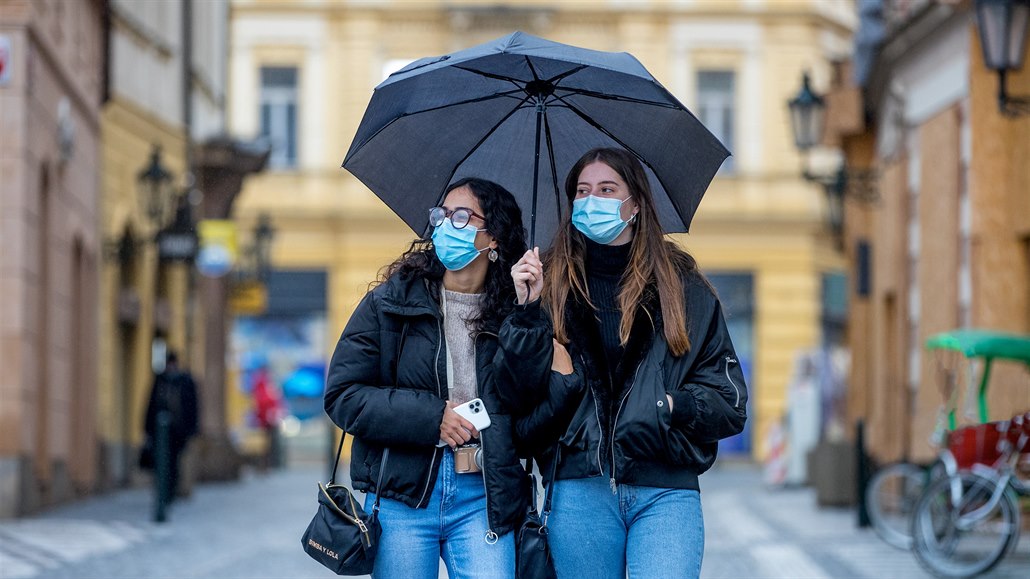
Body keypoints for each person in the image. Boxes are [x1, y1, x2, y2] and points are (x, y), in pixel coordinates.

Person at [497, 147, 749, 579]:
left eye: (607, 189)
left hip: (666, 487)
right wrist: (523, 313)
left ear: (635, 204)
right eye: (582, 191)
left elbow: (729, 400)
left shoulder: (684, 289)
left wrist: (670, 407)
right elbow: (516, 400)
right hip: (579, 489)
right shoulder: (548, 284)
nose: (592, 200)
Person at [323, 178, 531, 579]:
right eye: (442, 215)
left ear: (494, 238)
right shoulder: (390, 303)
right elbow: (343, 395)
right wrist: (431, 417)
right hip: (403, 495)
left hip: (484, 494)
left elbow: (531, 402)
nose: (445, 225)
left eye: (462, 216)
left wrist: (529, 315)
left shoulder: (514, 314)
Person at [142, 351, 200, 501]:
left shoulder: (185, 381)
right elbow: (151, 405)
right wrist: (147, 429)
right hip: (160, 432)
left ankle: (171, 491)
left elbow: (192, 407)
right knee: (161, 462)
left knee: (174, 462)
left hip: (178, 432)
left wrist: (192, 429)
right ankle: (163, 492)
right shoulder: (160, 380)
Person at [251, 364, 286, 470]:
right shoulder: (264, 388)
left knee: (267, 444)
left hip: (266, 419)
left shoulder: (261, 387)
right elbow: (266, 403)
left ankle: (267, 465)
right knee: (266, 445)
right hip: (267, 420)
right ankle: (266, 465)